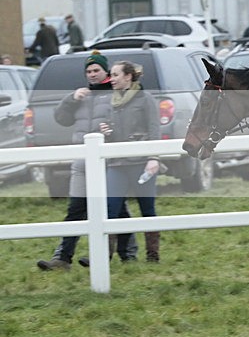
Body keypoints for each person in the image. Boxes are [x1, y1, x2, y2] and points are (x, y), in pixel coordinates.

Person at [36, 52, 137, 270]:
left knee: (117, 210)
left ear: (106, 72)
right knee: (76, 209)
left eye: (96, 70)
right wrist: (71, 100)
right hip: (81, 163)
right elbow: (61, 119)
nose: (92, 74)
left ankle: (128, 255)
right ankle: (62, 258)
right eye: (88, 71)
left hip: (108, 162)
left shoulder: (116, 93)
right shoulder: (80, 96)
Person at [94, 61, 162, 263]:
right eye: (111, 75)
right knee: (109, 208)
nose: (111, 79)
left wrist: (153, 158)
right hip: (117, 164)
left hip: (141, 163)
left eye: (115, 75)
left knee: (147, 209)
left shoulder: (146, 99)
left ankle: (153, 255)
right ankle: (103, 257)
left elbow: (154, 130)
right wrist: (107, 133)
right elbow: (114, 134)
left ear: (128, 77)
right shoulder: (112, 102)